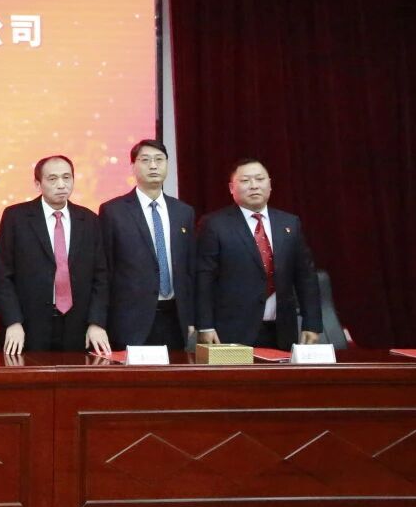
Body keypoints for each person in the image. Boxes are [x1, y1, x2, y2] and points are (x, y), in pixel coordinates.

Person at [196, 158, 321, 350]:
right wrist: (205, 325)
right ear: (231, 188)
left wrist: (312, 323)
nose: (254, 185)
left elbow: (306, 276)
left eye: (260, 179)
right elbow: (204, 278)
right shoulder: (214, 224)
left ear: (270, 184)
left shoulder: (289, 223)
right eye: (245, 180)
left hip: (282, 329)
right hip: (231, 331)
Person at [0, 155, 110, 355]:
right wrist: (13, 321)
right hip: (28, 327)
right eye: (53, 179)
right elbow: (2, 275)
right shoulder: (16, 217)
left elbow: (101, 276)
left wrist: (96, 322)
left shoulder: (89, 220)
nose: (61, 184)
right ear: (38, 184)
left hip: (78, 327)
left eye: (67, 177)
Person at [99, 140, 196, 350]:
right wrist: (99, 321)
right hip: (129, 321)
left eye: (159, 160)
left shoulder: (183, 212)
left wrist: (190, 317)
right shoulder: (113, 211)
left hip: (174, 318)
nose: (153, 166)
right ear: (132, 166)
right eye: (145, 160)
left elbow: (189, 268)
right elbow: (105, 270)